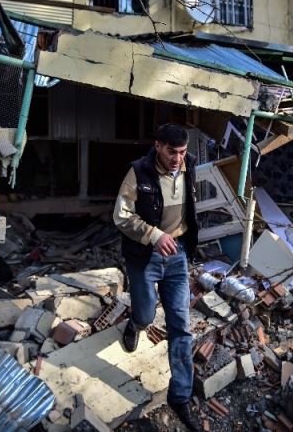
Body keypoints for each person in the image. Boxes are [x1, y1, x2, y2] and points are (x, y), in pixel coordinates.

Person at [113, 123, 200, 431]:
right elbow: (121, 216)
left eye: (183, 152)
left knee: (181, 326)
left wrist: (182, 243)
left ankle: (180, 396)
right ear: (158, 146)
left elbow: (188, 208)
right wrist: (153, 235)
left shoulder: (189, 167)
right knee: (147, 314)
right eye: (172, 152)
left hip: (176, 256)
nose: (178, 158)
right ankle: (135, 323)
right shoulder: (138, 172)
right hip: (144, 256)